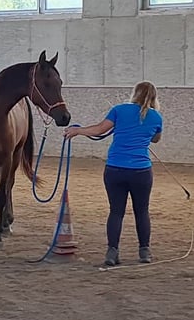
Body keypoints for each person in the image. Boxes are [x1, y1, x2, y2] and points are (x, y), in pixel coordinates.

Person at [64, 81, 163, 266]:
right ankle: (144, 251)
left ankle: (112, 252)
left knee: (116, 212)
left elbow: (99, 129)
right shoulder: (157, 117)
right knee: (142, 211)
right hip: (141, 171)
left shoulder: (119, 110)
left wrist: (78, 131)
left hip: (115, 169)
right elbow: (156, 138)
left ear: (134, 94)